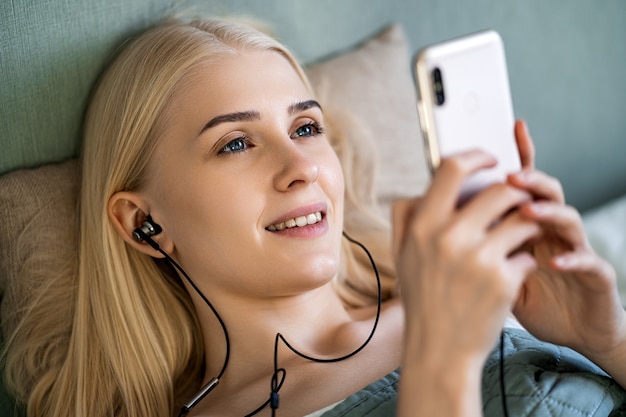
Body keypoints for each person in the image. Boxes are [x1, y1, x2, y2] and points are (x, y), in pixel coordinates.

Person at [4, 17, 626, 417]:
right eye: (236, 144)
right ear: (143, 220)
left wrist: (606, 339)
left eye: (306, 127)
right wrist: (443, 362)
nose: (301, 166)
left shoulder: (491, 307)